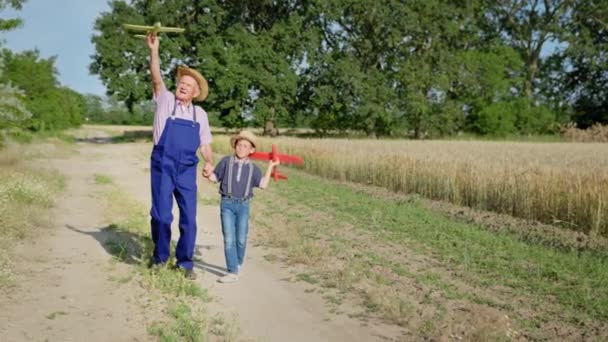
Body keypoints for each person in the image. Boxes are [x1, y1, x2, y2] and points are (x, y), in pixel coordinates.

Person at [146, 32, 214, 280]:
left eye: (188, 84)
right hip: (163, 164)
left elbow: (205, 143)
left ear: (195, 92)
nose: (182, 85)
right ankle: (160, 257)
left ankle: (185, 262)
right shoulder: (165, 101)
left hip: (186, 169)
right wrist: (154, 50)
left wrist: (208, 162)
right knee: (161, 215)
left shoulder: (200, 115)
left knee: (189, 220)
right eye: (181, 82)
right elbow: (156, 78)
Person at [206, 131, 279, 283]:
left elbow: (263, 185)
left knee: (240, 239)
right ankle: (232, 271)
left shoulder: (254, 169)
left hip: (244, 205)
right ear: (235, 146)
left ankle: (237, 263)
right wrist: (207, 173)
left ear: (251, 150)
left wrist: (270, 167)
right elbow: (214, 177)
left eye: (245, 146)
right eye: (239, 145)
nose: (241, 148)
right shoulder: (226, 161)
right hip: (227, 203)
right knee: (229, 238)